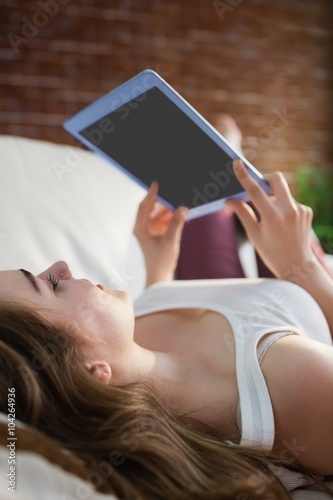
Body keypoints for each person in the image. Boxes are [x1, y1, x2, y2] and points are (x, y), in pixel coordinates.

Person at [0, 151, 333, 496]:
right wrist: (303, 266)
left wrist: (157, 268)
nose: (61, 267)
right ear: (89, 371)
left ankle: (228, 146)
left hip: (218, 298)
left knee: (208, 206)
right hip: (301, 296)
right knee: (243, 194)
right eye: (51, 285)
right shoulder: (296, 385)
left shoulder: (122, 352)